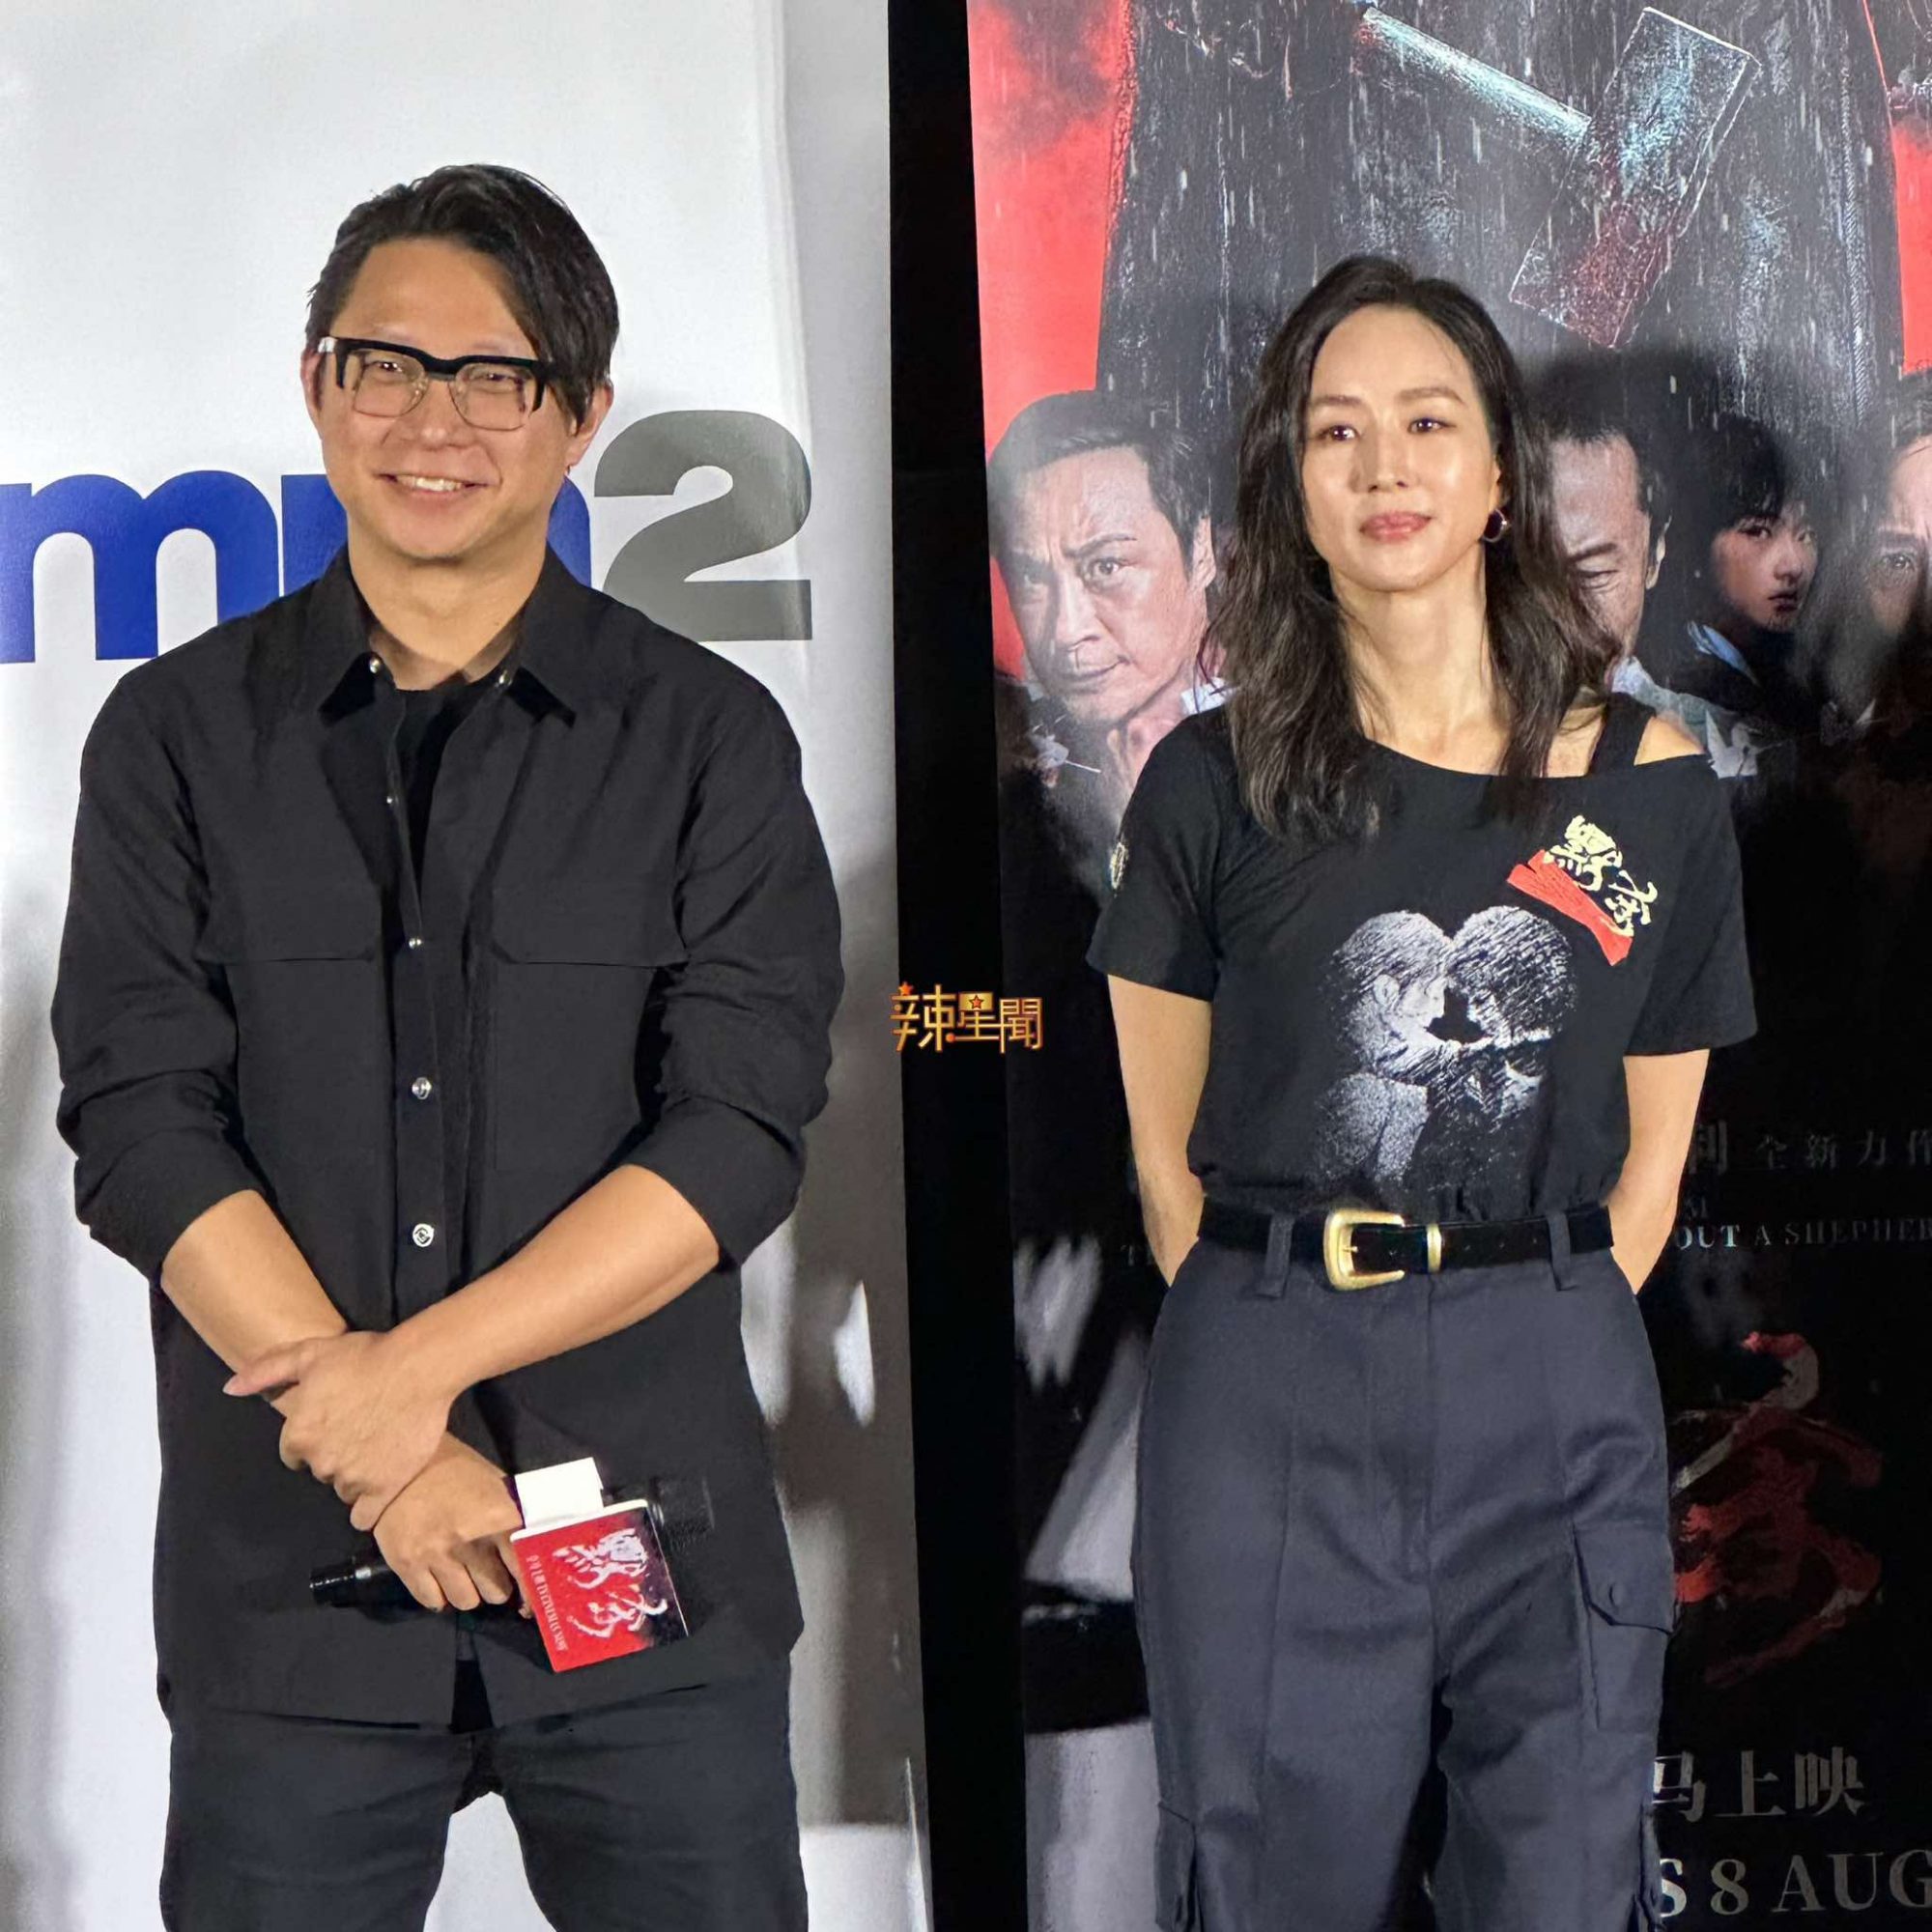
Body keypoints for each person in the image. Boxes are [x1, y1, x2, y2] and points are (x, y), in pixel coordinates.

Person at [51, 164, 839, 1931]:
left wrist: (410, 1379)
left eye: (496, 376)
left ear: (582, 416)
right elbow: (142, 1123)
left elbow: (735, 1135)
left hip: (639, 1579)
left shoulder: (706, 738)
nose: (434, 421)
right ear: (316, 383)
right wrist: (394, 1455)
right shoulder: (176, 736)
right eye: (387, 365)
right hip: (295, 1592)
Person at [1088, 256, 1754, 1927]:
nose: (1385, 468)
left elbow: (1652, 1167)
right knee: (1272, 1879)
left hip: (1556, 1385)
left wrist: (1523, 1318)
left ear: (1500, 475)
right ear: (1291, 489)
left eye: (1429, 424)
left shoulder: (1650, 784)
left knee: (1565, 1881)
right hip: (1275, 1390)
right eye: (1338, 433)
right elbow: (1168, 1171)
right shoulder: (1207, 783)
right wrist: (1306, 1324)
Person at [986, 390, 1218, 884]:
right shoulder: (1012, 796)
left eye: (1106, 566)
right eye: (1031, 577)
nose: (1067, 630)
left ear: (1200, 550)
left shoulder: (1311, 751)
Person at [1536, 358, 1766, 777]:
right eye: (1531, 573)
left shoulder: (1724, 756)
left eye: (1594, 575)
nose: (1560, 612)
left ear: (1655, 553)